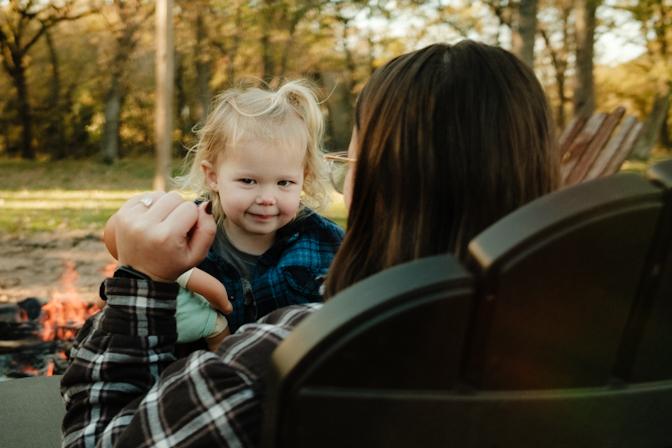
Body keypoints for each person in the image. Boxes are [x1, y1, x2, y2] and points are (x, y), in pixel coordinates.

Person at [61, 41, 559, 447]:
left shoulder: (285, 361)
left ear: (383, 182)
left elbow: (99, 440)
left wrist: (142, 284)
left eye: (355, 161)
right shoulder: (568, 349)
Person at [101, 80, 345, 351]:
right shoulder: (187, 227)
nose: (267, 198)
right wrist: (187, 276)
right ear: (213, 176)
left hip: (285, 377)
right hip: (193, 376)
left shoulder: (325, 241)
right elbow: (119, 235)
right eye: (248, 181)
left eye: (284, 183)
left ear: (304, 179)